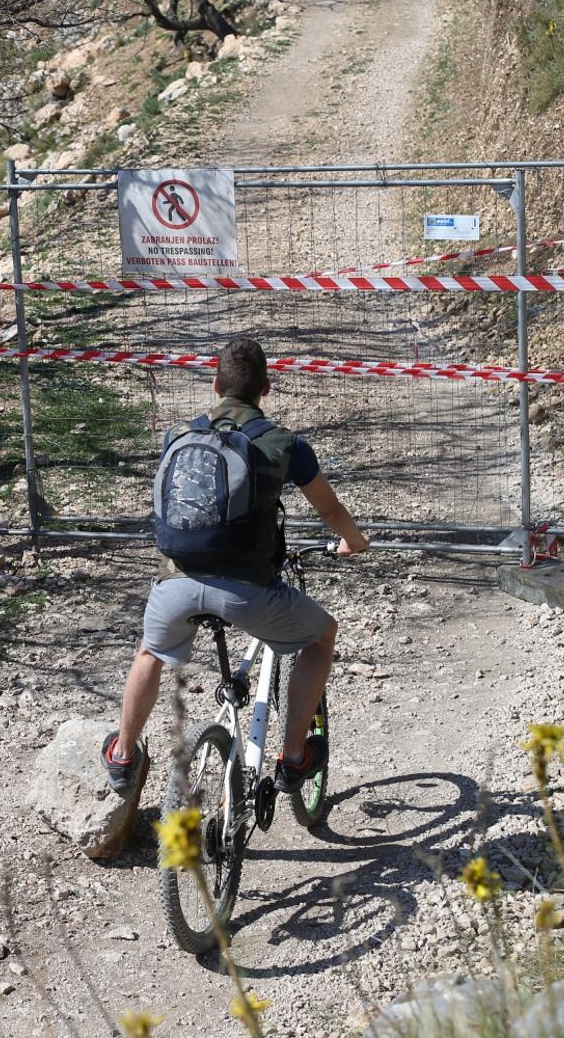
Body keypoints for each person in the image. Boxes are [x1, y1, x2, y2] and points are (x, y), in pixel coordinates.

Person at [103, 337, 370, 795]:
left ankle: (123, 755)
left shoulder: (178, 435)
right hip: (246, 592)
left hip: (175, 583)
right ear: (266, 388)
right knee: (322, 636)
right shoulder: (284, 443)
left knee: (150, 652)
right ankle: (291, 759)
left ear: (215, 383)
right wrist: (354, 542)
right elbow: (329, 509)